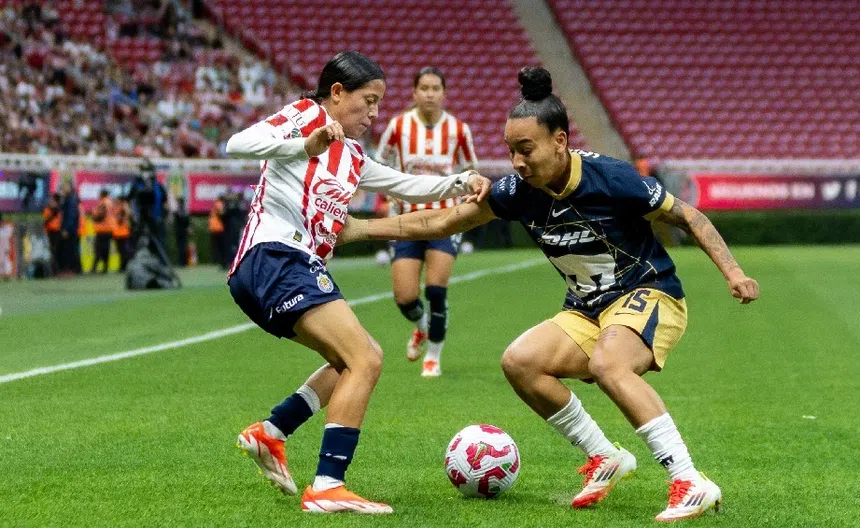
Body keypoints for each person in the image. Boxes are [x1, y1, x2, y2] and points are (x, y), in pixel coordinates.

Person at [338, 67, 760, 522]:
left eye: (526, 150)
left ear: (559, 141)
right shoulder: (519, 191)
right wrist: (359, 229)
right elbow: (441, 221)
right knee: (520, 361)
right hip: (587, 308)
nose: (517, 162)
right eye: (510, 151)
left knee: (609, 365)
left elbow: (690, 216)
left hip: (648, 290)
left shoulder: (611, 178)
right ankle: (605, 456)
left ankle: (690, 480)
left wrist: (734, 272)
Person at [224, 51, 491, 514]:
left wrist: (460, 182)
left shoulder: (352, 154)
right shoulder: (306, 115)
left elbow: (404, 184)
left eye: (379, 103)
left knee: (356, 357)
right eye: (368, 101)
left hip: (284, 266)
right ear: (336, 93)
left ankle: (272, 432)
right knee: (363, 359)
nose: (374, 113)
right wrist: (304, 146)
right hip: (275, 257)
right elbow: (238, 145)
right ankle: (327, 486)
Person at [375, 67, 478, 377]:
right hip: (406, 219)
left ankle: (433, 356)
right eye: (424, 88)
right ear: (414, 92)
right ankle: (422, 326)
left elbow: (470, 170)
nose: (430, 94)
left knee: (435, 290)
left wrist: (467, 203)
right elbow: (379, 162)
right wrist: (387, 191)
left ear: (444, 93)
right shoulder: (398, 126)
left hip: (445, 219)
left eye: (435, 88)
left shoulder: (459, 130)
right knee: (405, 297)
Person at [59, 181, 82, 275]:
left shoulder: (72, 199)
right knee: (71, 249)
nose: (63, 189)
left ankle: (74, 269)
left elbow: (71, 216)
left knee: (71, 249)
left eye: (65, 187)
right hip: (71, 228)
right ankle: (75, 269)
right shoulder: (68, 198)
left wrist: (66, 229)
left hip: (71, 229)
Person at [90, 189, 115, 273]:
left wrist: (94, 218)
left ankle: (95, 267)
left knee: (98, 249)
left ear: (102, 194)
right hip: (108, 228)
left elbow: (101, 215)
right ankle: (105, 267)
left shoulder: (103, 203)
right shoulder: (110, 202)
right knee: (105, 249)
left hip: (103, 229)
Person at [43, 193, 63, 274]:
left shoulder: (58, 209)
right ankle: (54, 270)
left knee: (56, 251)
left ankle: (57, 269)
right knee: (53, 251)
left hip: (56, 231)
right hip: (51, 231)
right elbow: (46, 220)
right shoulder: (49, 209)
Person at [113, 196, 132, 271]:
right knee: (121, 251)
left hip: (122, 233)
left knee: (123, 251)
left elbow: (122, 218)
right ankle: (122, 266)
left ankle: (124, 266)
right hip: (119, 232)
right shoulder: (121, 207)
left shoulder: (123, 207)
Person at [208, 195, 226, 268]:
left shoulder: (214, 205)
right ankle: (220, 261)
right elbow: (221, 214)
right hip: (219, 228)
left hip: (213, 228)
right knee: (221, 247)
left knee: (214, 246)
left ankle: (214, 260)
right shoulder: (220, 204)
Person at [173, 196, 190, 266]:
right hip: (184, 230)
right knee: (183, 246)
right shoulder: (185, 210)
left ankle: (181, 262)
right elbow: (187, 221)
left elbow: (176, 219)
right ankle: (184, 262)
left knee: (180, 247)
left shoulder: (178, 210)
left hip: (179, 230)